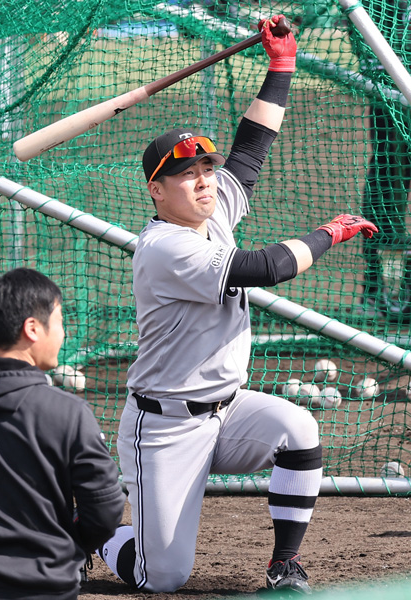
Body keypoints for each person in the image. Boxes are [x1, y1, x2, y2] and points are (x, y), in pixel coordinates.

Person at [96, 15, 378, 595]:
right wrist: (331, 232)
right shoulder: (165, 247)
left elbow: (250, 150)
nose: (204, 180)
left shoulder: (212, 209)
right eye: (185, 174)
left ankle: (284, 565)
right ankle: (88, 527)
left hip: (227, 412)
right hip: (165, 427)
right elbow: (266, 267)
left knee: (298, 427)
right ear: (156, 190)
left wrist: (281, 65)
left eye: (206, 168)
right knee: (162, 577)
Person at [0, 268, 126, 600]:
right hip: (45, 585)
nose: (63, 333)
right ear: (32, 328)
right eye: (59, 321)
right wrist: (68, 546)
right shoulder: (69, 413)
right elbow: (104, 512)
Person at [348, 0, 411, 317]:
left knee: (389, 177)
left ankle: (391, 289)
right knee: (388, 179)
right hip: (392, 89)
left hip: (393, 87)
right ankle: (380, 288)